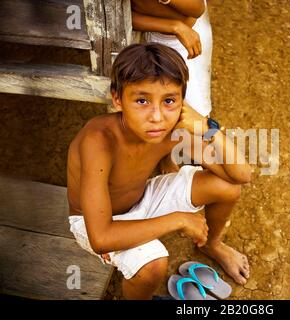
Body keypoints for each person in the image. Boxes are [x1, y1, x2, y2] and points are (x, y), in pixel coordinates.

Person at [66, 43, 251, 300]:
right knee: (152, 267)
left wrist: (210, 128)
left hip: (143, 199)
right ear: (117, 99)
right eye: (142, 100)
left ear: (182, 102)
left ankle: (212, 244)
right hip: (95, 223)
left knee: (226, 186)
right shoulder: (99, 141)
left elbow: (241, 175)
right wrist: (180, 219)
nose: (157, 116)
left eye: (169, 101)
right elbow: (100, 237)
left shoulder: (173, 126)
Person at [131, 0, 212, 117]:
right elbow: (122, 16)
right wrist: (175, 27)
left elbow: (197, 9)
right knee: (175, 106)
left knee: (197, 109)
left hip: (193, 34)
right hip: (164, 37)